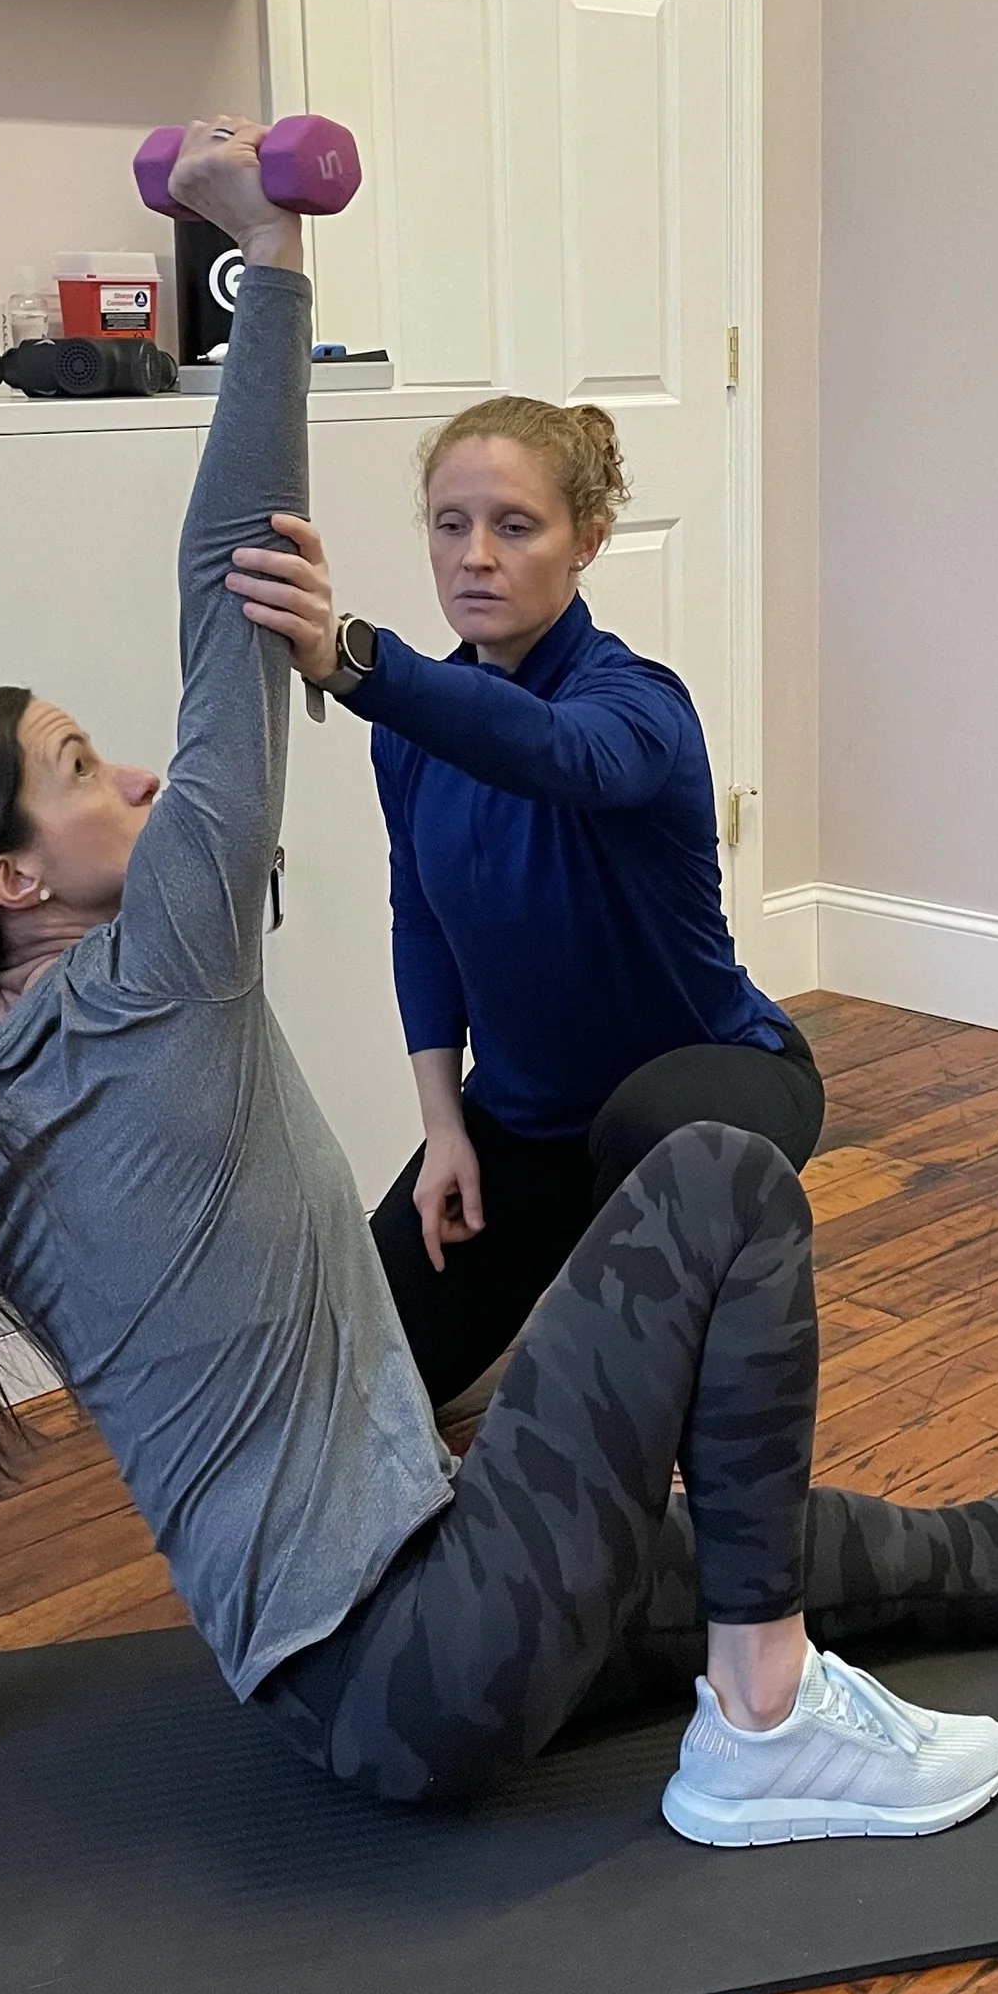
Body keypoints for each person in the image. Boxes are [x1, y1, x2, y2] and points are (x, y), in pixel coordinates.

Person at [0, 119, 998, 1850]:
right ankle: (767, 1714)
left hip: (382, 1657)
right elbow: (228, 589)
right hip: (428, 1652)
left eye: (513, 523)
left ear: (581, 541)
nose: (135, 776)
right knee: (716, 1185)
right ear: (13, 882)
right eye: (79, 765)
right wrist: (267, 253)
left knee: (841, 1548)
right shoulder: (154, 972)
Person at [223, 395, 815, 1421]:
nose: (475, 557)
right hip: (527, 1125)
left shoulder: (637, 704)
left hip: (717, 1089)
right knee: (338, 1389)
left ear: (586, 540)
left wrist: (357, 661)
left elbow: (557, 755)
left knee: (653, 1133)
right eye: (450, 525)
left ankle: (619, 1380)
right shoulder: (408, 733)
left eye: (514, 526)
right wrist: (445, 1127)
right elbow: (422, 920)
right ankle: (546, 1338)